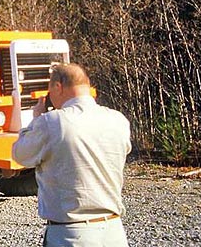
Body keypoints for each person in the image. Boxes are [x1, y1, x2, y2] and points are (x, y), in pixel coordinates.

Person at [12, 63, 132, 247]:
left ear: (58, 87)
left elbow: (20, 154)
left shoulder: (51, 122)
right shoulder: (118, 120)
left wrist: (36, 119)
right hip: (114, 232)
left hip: (71, 234)